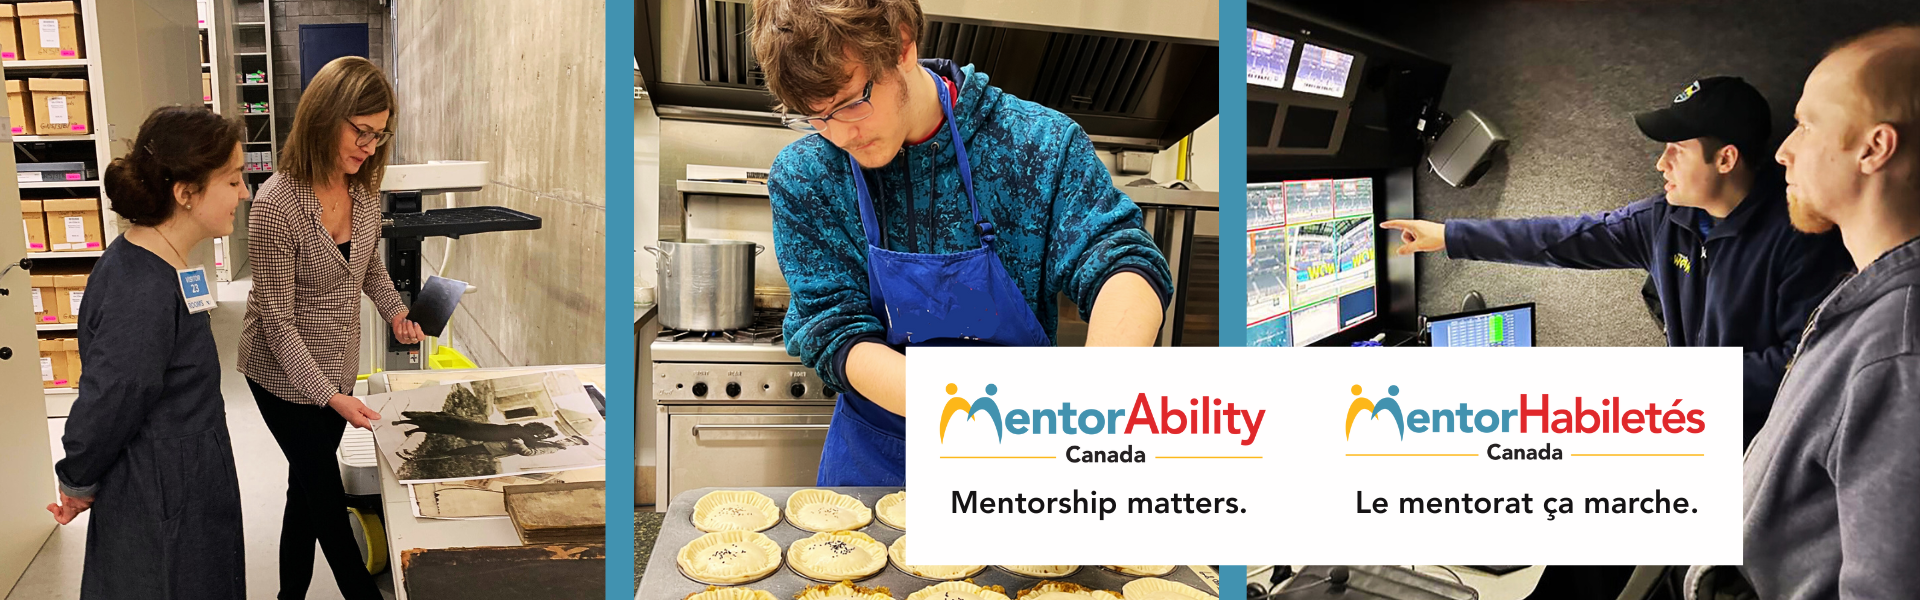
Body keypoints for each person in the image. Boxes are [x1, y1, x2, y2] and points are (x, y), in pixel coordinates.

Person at [749, 0, 1173, 486]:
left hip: (1022, 458)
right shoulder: (806, 175)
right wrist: (969, 413)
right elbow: (833, 329)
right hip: (877, 462)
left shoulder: (1038, 144)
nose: (841, 133)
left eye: (850, 102)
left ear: (902, 44)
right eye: (814, 116)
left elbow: (1122, 260)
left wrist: (1096, 404)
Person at [1380, 77, 1851, 446]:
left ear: (1725, 159)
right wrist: (1448, 235)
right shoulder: (1667, 221)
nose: (1660, 164)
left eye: (1676, 150)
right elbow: (1563, 239)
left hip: (1762, 455)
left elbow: (1805, 367)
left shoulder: (1800, 236)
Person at [1743, 24, 1920, 600]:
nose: (1783, 149)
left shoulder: (1898, 350)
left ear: (1874, 147)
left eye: (1806, 123)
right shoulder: (1870, 302)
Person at [236, 56, 423, 600]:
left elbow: (366, 269)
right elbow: (276, 320)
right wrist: (328, 397)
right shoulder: (276, 205)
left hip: (337, 368)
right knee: (322, 492)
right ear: (324, 117)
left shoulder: (362, 196)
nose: (369, 146)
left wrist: (394, 310)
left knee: (304, 493)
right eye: (360, 130)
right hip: (281, 374)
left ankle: (287, 595)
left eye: (379, 134)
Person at [48, 106, 249, 598]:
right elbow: (112, 394)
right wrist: (77, 478)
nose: (244, 193)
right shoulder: (139, 288)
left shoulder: (169, 261)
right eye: (233, 181)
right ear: (185, 193)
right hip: (159, 488)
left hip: (187, 471)